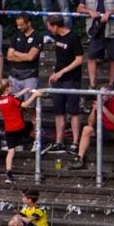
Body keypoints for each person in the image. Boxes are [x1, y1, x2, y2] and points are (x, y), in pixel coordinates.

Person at [43, 16, 85, 150]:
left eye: (49, 26)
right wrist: (55, 72)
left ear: (56, 26)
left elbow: (79, 59)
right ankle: (59, 141)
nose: (48, 29)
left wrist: (63, 72)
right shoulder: (57, 39)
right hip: (59, 80)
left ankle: (75, 142)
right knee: (58, 111)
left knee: (73, 111)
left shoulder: (73, 37)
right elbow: (60, 59)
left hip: (72, 79)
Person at [78, 0, 114, 89]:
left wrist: (109, 13)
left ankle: (111, 84)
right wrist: (89, 11)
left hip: (112, 31)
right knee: (91, 57)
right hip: (96, 31)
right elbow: (79, 8)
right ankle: (92, 84)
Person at [0, 80, 27, 184]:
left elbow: (14, 95)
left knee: (11, 151)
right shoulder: (12, 99)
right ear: (6, 88)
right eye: (10, 86)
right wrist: (35, 95)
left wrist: (25, 91)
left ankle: (9, 171)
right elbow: (25, 105)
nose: (12, 86)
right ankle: (29, 143)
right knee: (30, 127)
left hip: (8, 129)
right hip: (18, 127)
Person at [4, 14, 41, 94]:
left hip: (30, 76)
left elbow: (31, 57)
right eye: (18, 25)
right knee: (14, 104)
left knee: (29, 105)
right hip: (14, 76)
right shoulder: (16, 35)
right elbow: (9, 57)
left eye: (21, 25)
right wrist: (25, 56)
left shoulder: (37, 36)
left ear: (29, 23)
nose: (19, 27)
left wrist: (16, 53)